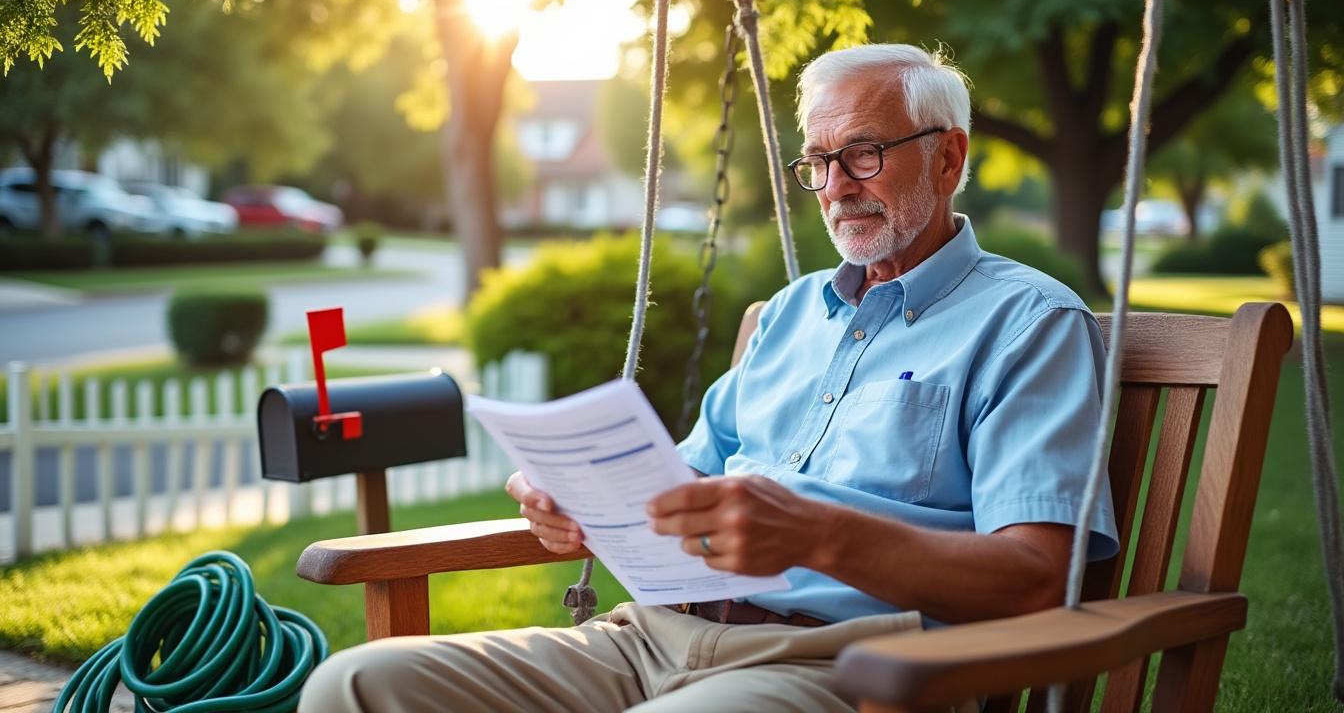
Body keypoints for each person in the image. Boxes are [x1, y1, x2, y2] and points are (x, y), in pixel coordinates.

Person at [298, 43, 1120, 713]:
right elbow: (684, 481)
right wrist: (582, 502)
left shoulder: (1029, 325)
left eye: (863, 155)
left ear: (948, 158)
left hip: (854, 668)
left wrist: (818, 534)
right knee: (357, 686)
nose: (836, 189)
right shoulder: (792, 316)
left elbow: (1038, 576)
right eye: (819, 163)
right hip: (653, 638)